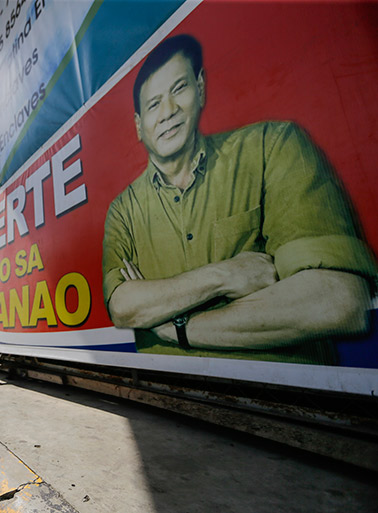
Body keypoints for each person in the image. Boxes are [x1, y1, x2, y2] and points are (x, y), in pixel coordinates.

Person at [102, 34, 376, 363]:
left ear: (200, 88)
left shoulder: (271, 147)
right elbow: (123, 307)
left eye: (179, 89)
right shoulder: (123, 211)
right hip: (170, 394)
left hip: (291, 397)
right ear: (138, 126)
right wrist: (226, 275)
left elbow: (338, 301)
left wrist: (177, 327)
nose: (168, 112)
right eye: (153, 104)